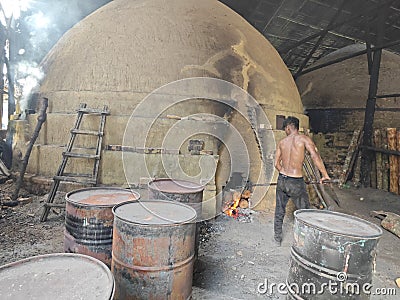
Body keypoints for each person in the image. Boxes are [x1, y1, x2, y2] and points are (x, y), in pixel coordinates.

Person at [274, 116, 330, 246]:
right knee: (305, 212)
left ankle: (277, 238)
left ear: (288, 127)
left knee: (279, 210)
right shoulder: (304, 139)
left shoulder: (282, 142)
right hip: (296, 181)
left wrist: (284, 174)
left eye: (285, 129)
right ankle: (303, 241)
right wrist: (325, 175)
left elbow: (276, 163)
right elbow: (315, 157)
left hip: (282, 179)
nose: (285, 131)